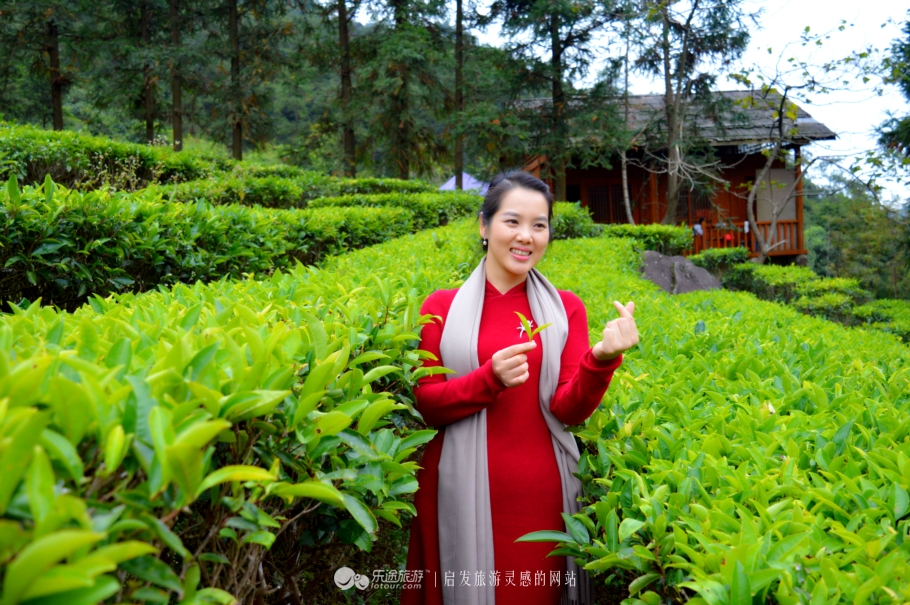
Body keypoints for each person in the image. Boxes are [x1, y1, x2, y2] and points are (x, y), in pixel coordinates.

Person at [400, 171, 640, 605]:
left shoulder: (566, 308)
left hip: (541, 494)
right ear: (484, 226)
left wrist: (602, 359)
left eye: (539, 225)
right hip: (454, 490)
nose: (525, 236)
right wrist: (487, 379)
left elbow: (568, 410)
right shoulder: (441, 307)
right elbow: (426, 406)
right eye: (512, 221)